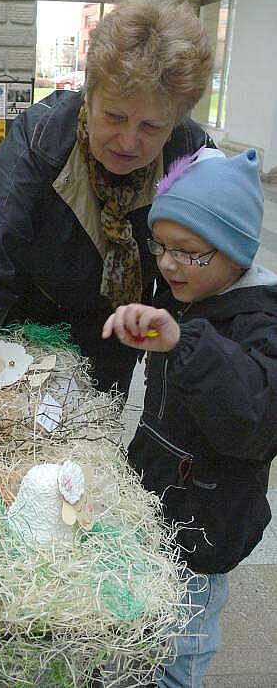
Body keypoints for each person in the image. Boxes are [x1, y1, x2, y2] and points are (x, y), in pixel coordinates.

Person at [0, 0, 214, 439]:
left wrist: (168, 342)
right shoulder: (43, 134)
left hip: (115, 337)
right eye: (114, 116)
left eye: (152, 126)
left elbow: (207, 273)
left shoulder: (190, 153)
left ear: (176, 121)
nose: (129, 141)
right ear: (87, 95)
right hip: (24, 328)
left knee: (88, 441)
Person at [102, 147, 277, 687]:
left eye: (190, 252)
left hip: (207, 528)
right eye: (162, 248)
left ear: (235, 250)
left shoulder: (260, 319)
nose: (169, 264)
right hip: (160, 505)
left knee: (181, 655)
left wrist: (186, 343)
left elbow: (254, 421)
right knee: (143, 635)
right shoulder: (195, 295)